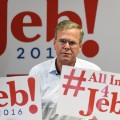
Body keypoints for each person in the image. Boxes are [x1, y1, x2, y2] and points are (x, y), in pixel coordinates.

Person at [29, 20, 101, 120]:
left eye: (72, 43)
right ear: (54, 43)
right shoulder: (37, 72)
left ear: (80, 47)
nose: (66, 47)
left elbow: (99, 112)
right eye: (62, 41)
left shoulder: (93, 71)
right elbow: (30, 113)